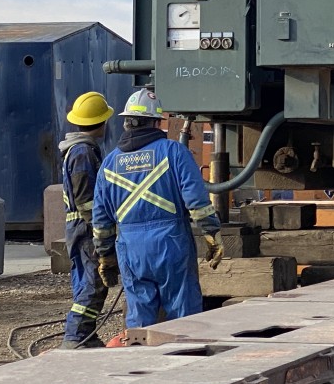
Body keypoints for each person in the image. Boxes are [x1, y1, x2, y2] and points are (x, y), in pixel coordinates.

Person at [92, 88, 224, 328]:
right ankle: (185, 361)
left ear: (126, 123)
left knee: (139, 320)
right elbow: (197, 202)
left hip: (131, 249)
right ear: (155, 122)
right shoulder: (175, 153)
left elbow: (101, 220)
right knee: (184, 316)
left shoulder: (109, 164)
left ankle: (141, 361)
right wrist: (212, 235)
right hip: (171, 244)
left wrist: (106, 256)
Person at [59, 91, 114, 349]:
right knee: (92, 282)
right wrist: (100, 227)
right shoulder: (82, 152)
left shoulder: (81, 148)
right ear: (102, 122)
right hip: (84, 227)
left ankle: (85, 334)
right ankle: (76, 336)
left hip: (78, 226)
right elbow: (86, 197)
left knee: (89, 281)